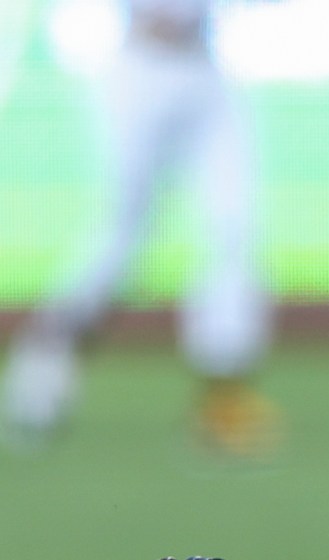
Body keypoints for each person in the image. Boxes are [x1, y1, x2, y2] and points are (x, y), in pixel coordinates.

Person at [3, 0, 276, 455]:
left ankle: (224, 399)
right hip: (139, 68)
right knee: (121, 238)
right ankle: (46, 361)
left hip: (205, 68)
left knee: (234, 231)